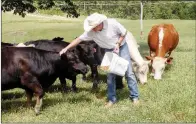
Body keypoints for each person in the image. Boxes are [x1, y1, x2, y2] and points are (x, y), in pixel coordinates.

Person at [60, 13, 139, 107]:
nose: (92, 29)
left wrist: (118, 44)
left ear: (100, 24)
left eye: (93, 27)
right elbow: (79, 39)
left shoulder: (112, 23)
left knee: (128, 72)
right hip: (108, 50)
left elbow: (124, 32)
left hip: (122, 47)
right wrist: (66, 48)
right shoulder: (91, 32)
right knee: (110, 76)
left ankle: (135, 97)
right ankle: (111, 100)